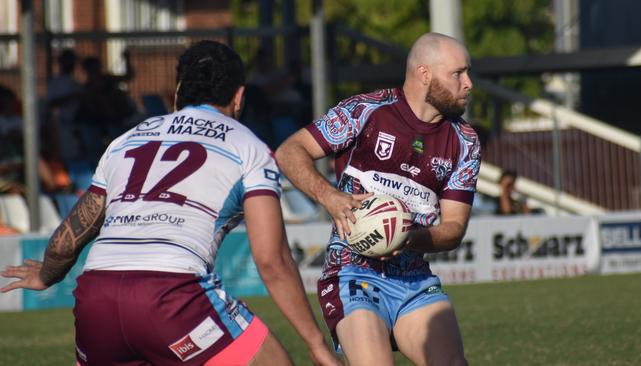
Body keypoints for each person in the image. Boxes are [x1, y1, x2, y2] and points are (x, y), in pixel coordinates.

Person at [1, 40, 340, 366]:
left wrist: (46, 276)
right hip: (172, 297)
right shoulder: (248, 147)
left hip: (95, 301)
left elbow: (68, 239)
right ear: (239, 96)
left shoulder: (127, 139)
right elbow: (271, 261)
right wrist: (315, 343)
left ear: (177, 92)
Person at [275, 32, 480, 366]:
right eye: (458, 73)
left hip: (413, 280)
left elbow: (454, 227)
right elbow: (289, 151)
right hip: (352, 273)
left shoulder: (465, 141)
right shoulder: (365, 111)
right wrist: (330, 197)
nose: (468, 83)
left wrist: (409, 238)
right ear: (424, 74)